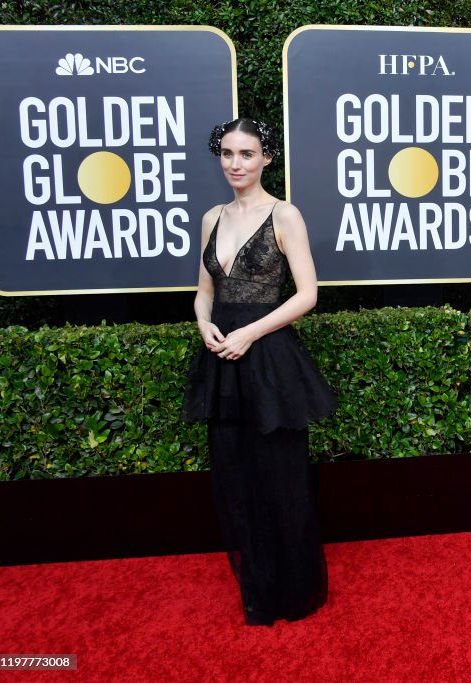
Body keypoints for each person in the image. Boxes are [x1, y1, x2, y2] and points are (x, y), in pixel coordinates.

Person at [183, 118, 336, 626]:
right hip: (221, 359)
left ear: (266, 158)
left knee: (280, 476)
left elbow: (308, 295)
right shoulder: (210, 218)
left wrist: (251, 333)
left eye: (246, 154)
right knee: (234, 476)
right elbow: (205, 291)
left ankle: (292, 590)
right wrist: (204, 325)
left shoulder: (284, 215)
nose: (235, 164)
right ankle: (258, 586)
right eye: (227, 153)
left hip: (268, 360)